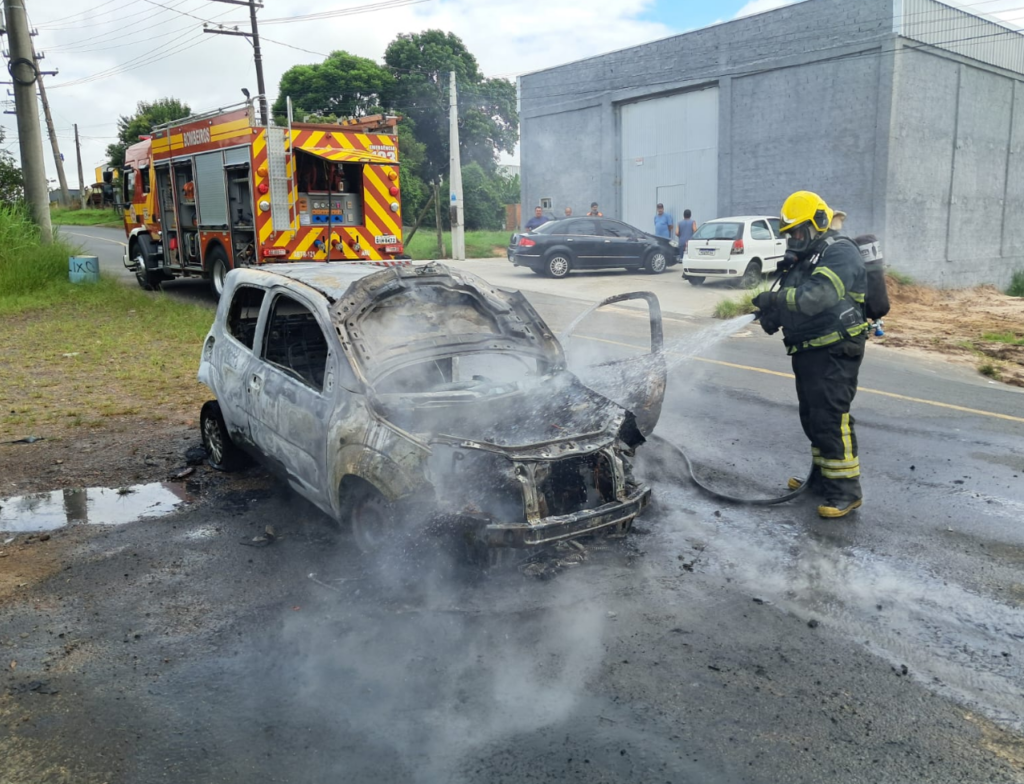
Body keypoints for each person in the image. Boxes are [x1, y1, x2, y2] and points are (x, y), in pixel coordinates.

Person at [751, 191, 869, 519]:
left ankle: (846, 491)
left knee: (831, 418)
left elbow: (819, 297)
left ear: (818, 223)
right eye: (790, 234)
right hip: (810, 349)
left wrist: (776, 301)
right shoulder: (809, 256)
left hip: (835, 349)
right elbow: (796, 299)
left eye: (799, 233)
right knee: (813, 417)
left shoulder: (840, 252)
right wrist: (774, 316)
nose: (794, 240)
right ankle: (822, 480)